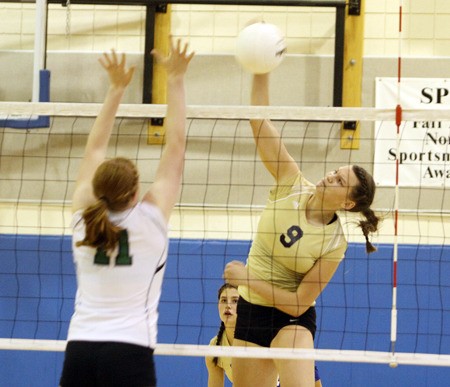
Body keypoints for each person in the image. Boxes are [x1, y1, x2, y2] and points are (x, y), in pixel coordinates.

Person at [223, 72, 380, 387]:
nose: (330, 177)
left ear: (348, 204)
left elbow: (298, 302)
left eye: (339, 181)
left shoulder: (335, 243)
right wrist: (260, 71)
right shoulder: (291, 183)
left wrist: (247, 278)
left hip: (291, 319)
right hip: (251, 311)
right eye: (335, 171)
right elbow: (259, 122)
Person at [59, 38, 194, 387]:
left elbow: (95, 148)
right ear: (136, 194)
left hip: (81, 351)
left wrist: (116, 89)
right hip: (130, 351)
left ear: (97, 190)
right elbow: (176, 145)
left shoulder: (81, 219)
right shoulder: (151, 219)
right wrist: (175, 80)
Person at [205, 284, 323, 387]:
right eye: (223, 300)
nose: (228, 306)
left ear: (244, 305)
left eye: (235, 301)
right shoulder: (215, 348)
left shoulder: (262, 337)